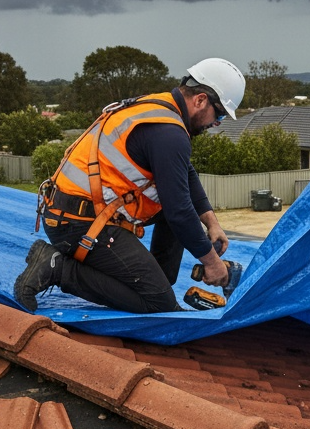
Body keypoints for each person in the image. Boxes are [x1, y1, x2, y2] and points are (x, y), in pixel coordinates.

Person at [13, 57, 245, 315]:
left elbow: (185, 175)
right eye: (220, 113)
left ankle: (154, 279)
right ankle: (57, 267)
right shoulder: (169, 133)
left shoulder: (159, 107)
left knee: (174, 211)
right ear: (200, 100)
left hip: (75, 210)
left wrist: (211, 223)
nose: (218, 122)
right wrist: (212, 263)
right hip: (77, 222)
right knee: (159, 304)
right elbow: (179, 211)